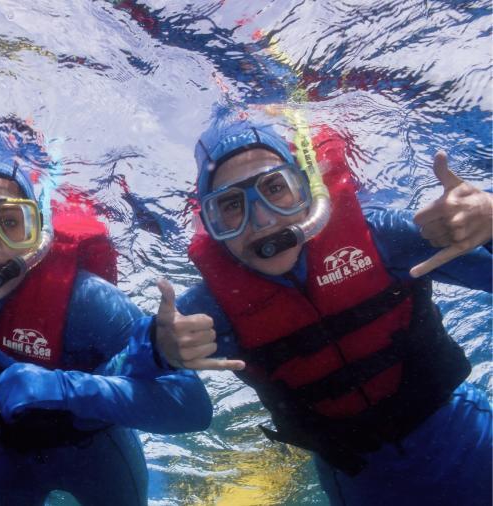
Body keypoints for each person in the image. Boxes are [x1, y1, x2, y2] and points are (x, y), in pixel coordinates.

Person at [158, 110, 492, 505]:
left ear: (307, 191)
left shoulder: (382, 238)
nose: (262, 219)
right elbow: (146, 381)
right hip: (358, 481)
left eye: (275, 188)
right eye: (231, 206)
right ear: (210, 226)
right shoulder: (206, 311)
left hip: (468, 442)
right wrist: (160, 353)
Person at [0, 128, 231, 506]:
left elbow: (193, 408)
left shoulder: (87, 300)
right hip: (7, 461)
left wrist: (69, 390)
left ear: (36, 235)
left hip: (97, 454)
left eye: (10, 222)